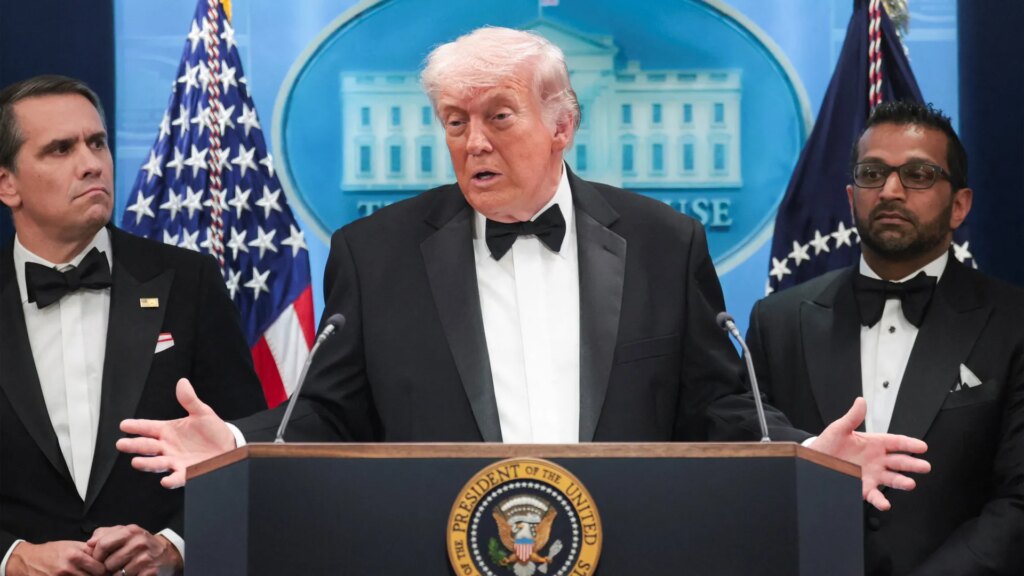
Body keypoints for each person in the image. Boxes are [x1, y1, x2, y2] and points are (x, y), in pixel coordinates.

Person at [118, 27, 928, 513]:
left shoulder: (662, 241)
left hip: (632, 547)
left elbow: (721, 404)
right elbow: (327, 413)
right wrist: (235, 442)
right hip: (435, 548)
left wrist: (806, 456)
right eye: (454, 121)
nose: (473, 142)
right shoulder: (377, 254)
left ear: (561, 124)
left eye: (498, 117)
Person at [0, 75, 266, 576]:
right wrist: (12, 556)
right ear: (6, 184)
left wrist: (174, 546)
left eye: (97, 143)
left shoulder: (190, 281)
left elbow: (246, 446)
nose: (91, 163)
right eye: (61, 149)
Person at [746, 101, 1024, 575]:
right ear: (851, 195)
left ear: (959, 206)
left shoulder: (1013, 322)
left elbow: (1017, 499)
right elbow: (749, 465)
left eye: (918, 175)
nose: (891, 191)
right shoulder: (778, 320)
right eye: (873, 174)